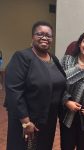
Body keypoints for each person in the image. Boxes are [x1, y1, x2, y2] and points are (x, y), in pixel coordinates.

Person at [4, 21, 66, 150]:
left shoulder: (53, 58)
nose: (45, 38)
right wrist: (26, 122)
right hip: (28, 120)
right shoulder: (22, 57)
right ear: (33, 37)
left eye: (48, 35)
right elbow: (14, 91)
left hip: (48, 120)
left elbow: (60, 83)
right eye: (40, 34)